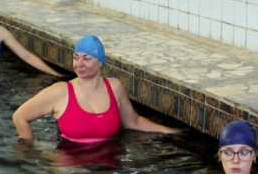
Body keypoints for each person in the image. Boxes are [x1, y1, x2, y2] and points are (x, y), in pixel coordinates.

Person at [12, 35, 181, 142]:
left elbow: (132, 121)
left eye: (87, 59)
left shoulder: (114, 87)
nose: (79, 64)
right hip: (70, 169)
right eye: (76, 58)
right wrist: (31, 151)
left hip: (108, 167)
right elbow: (20, 117)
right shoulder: (60, 91)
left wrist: (168, 131)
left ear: (100, 62)